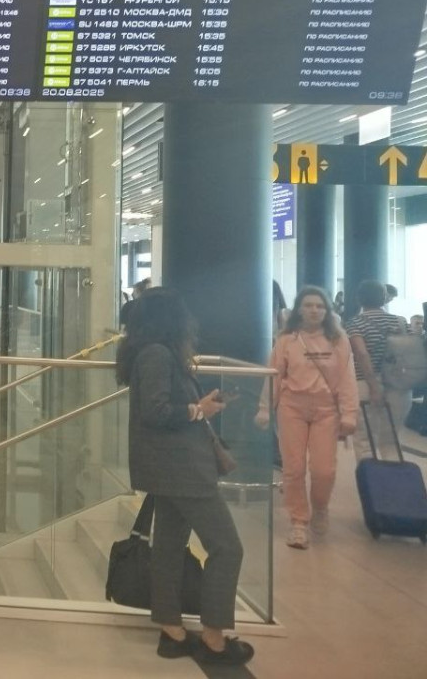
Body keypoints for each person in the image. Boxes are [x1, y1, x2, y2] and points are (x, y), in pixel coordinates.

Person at [117, 288, 252, 667]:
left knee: (169, 547)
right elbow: (156, 411)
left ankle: (172, 630)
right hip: (182, 468)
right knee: (227, 547)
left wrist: (201, 405)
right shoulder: (158, 354)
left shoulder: (153, 352)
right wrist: (198, 409)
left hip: (168, 468)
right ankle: (213, 638)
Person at [258, 286, 358, 549]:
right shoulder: (286, 339)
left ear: (327, 310)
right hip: (292, 408)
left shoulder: (339, 340)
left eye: (320, 306)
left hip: (327, 411)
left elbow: (347, 378)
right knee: (293, 468)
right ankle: (299, 522)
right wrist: (265, 408)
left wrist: (349, 413)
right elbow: (274, 375)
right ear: (299, 309)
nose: (314, 310)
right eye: (308, 305)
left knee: (324, 470)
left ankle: (320, 507)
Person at [346, 279, 411, 460]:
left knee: (365, 440)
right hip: (399, 386)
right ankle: (393, 477)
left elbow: (361, 354)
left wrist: (374, 386)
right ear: (384, 298)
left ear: (359, 299)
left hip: (365, 384)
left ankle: (370, 478)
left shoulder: (355, 323)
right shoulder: (400, 322)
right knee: (391, 440)